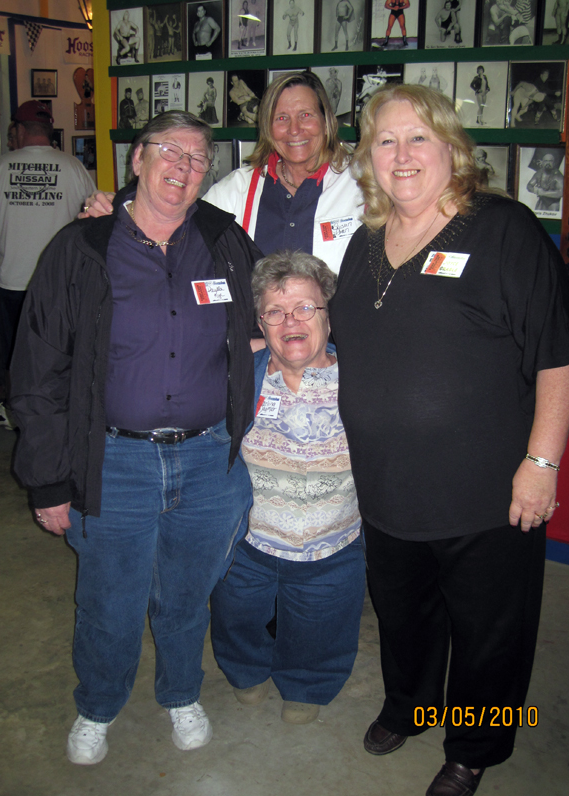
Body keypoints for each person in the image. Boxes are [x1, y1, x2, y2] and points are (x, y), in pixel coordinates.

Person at [330, 84, 569, 796]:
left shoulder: (504, 230)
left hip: (486, 492)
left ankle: (475, 746)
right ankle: (409, 706)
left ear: (451, 147)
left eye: (419, 138)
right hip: (386, 487)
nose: (402, 155)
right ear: (367, 158)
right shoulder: (363, 242)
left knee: (489, 629)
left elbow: (560, 356)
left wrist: (541, 464)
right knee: (404, 612)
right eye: (386, 140)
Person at [9, 111, 260, 766]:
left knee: (185, 593)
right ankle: (98, 704)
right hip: (112, 458)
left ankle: (181, 692)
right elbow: (37, 372)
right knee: (108, 600)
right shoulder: (83, 247)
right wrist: (48, 478)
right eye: (169, 152)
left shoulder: (225, 240)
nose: (182, 167)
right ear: (139, 160)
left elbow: (279, 303)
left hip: (208, 458)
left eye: (198, 158)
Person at [210, 250, 365, 725]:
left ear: (329, 314)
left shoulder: (362, 378)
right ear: (260, 322)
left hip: (334, 540)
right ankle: (246, 669)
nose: (290, 321)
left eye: (305, 308)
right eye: (274, 312)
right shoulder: (240, 378)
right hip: (251, 540)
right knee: (236, 613)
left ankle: (308, 682)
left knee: (323, 621)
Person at [82, 72, 363, 274]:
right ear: (267, 128)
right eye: (281, 118)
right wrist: (120, 205)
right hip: (257, 350)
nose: (294, 129)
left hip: (337, 347)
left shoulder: (362, 183)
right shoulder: (238, 189)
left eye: (306, 115)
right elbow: (176, 210)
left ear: (326, 121)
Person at [0, 101, 95, 402]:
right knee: (52, 353)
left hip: (12, 278)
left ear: (20, 130)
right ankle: (47, 407)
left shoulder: (1, 166)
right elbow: (94, 220)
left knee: (11, 353)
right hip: (57, 281)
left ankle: (10, 405)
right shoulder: (73, 167)